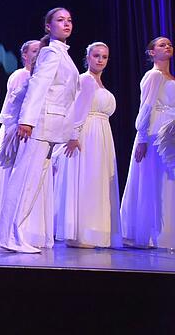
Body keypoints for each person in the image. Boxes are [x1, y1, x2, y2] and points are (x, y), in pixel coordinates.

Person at [0, 7, 79, 253]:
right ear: (48, 26)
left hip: (50, 128)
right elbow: (38, 85)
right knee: (23, 181)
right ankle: (9, 235)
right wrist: (27, 120)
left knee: (32, 184)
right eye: (60, 20)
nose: (66, 24)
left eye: (69, 20)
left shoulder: (63, 54)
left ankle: (15, 233)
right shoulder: (51, 52)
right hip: (38, 126)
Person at [52, 42, 122, 248]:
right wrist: (74, 135)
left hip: (102, 135)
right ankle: (81, 233)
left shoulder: (101, 84)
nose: (100, 60)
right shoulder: (85, 80)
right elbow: (75, 109)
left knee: (97, 181)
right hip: (87, 134)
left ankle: (94, 231)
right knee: (86, 179)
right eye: (96, 56)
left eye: (104, 56)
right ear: (88, 57)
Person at [120, 36, 175, 248]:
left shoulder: (170, 77)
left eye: (169, 44)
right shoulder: (154, 75)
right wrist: (142, 137)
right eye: (162, 44)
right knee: (155, 182)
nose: (167, 46)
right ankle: (154, 234)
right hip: (155, 133)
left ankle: (168, 233)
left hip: (170, 132)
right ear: (152, 52)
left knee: (168, 181)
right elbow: (146, 106)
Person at [0, 40, 41, 233]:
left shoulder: (42, 77)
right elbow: (10, 111)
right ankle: (9, 228)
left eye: (41, 50)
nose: (38, 54)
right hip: (17, 133)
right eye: (34, 51)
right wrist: (1, 144)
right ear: (24, 55)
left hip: (34, 135)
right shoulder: (21, 75)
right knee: (14, 177)